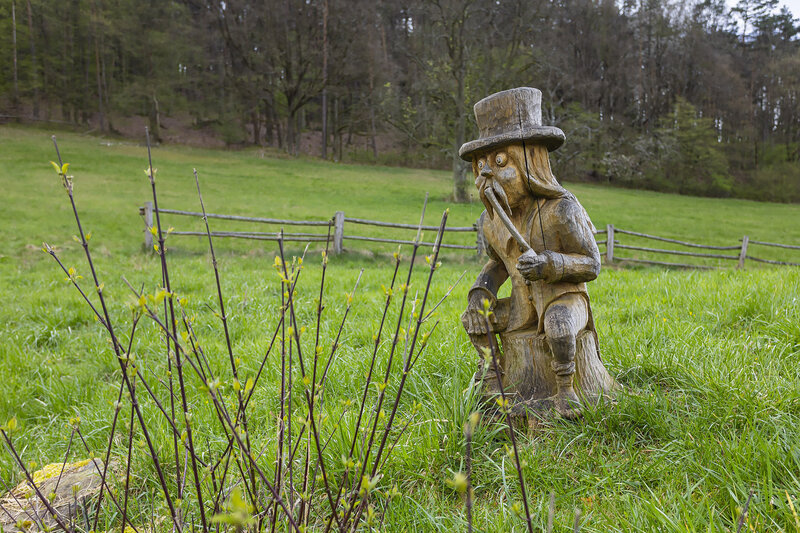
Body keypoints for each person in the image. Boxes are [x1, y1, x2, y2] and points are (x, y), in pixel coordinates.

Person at [459, 87, 607, 419]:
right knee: (475, 319)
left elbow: (592, 263)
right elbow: (498, 264)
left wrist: (550, 264)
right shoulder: (490, 221)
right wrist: (480, 293)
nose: (487, 175)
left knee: (559, 326)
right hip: (521, 309)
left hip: (564, 298)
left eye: (500, 162)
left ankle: (566, 390)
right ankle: (494, 376)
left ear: (531, 160)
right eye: (481, 165)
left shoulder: (561, 209)